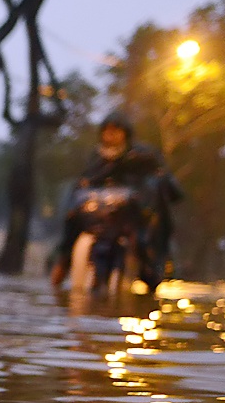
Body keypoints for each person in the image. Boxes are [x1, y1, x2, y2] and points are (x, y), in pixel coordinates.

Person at [49, 113, 181, 288]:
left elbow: (161, 182)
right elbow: (85, 181)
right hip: (99, 213)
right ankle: (61, 266)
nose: (110, 135)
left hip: (131, 214)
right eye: (107, 130)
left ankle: (152, 272)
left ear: (125, 133)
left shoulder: (144, 155)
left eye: (115, 130)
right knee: (71, 222)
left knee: (143, 240)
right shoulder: (97, 157)